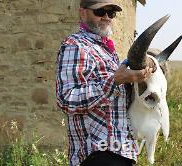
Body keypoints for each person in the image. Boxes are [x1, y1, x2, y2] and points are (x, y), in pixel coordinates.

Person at [56, 0, 152, 165]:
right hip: (96, 155)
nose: (107, 17)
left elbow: (116, 102)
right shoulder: (75, 45)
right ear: (83, 13)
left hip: (121, 151)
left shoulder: (108, 51)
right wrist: (115, 80)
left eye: (111, 13)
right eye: (100, 12)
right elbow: (66, 99)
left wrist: (137, 78)